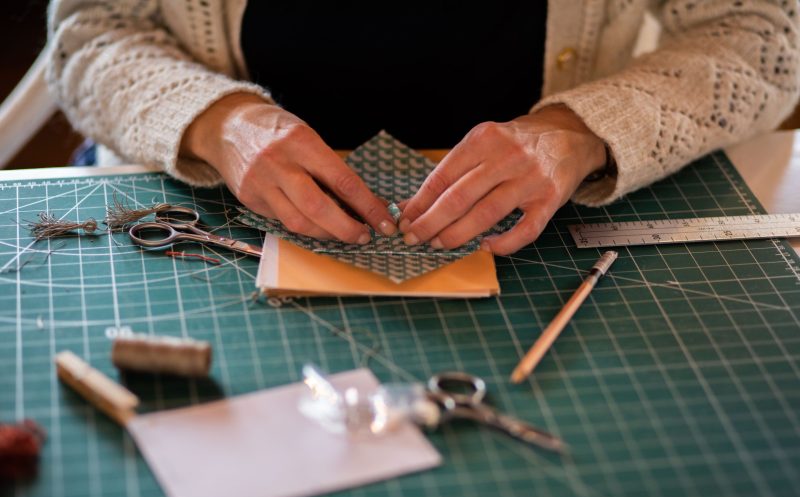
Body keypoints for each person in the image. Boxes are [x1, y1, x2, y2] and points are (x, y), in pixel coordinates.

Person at [46, 1, 799, 255]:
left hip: (548, 229)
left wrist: (584, 131)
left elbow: (763, 33)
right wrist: (218, 122)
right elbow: (92, 32)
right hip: (195, 208)